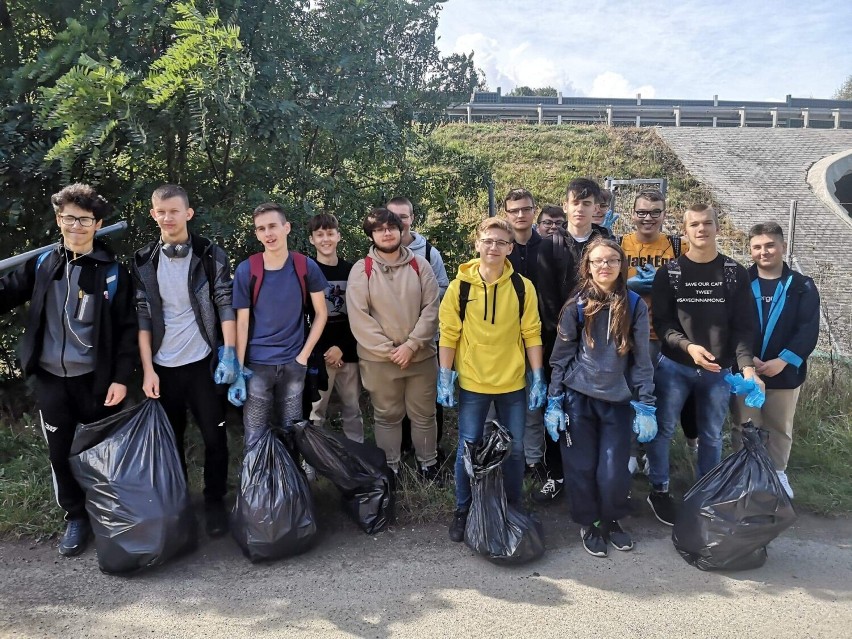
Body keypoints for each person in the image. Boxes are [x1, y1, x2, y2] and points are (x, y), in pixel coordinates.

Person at [0, 184, 136, 555]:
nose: (76, 226)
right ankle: (76, 517)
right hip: (50, 379)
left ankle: (112, 515)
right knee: (60, 454)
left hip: (97, 382)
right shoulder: (44, 264)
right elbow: (6, 292)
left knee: (102, 454)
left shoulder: (112, 273)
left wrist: (122, 378)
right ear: (59, 220)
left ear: (98, 223)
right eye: (69, 218)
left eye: (85, 219)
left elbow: (127, 331)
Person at [647, 204, 762, 526]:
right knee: (663, 430)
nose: (701, 229)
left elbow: (744, 326)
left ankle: (705, 491)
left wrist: (747, 367)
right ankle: (659, 488)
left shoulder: (733, 272)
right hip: (675, 367)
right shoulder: (669, 273)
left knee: (712, 435)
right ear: (685, 231)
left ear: (717, 227)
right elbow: (664, 324)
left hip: (719, 371)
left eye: (707, 223)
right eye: (694, 224)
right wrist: (688, 347)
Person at [133, 184, 236, 537]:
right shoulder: (144, 259)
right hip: (163, 367)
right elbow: (143, 316)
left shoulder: (209, 254)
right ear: (153, 215)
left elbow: (225, 302)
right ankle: (179, 507)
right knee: (170, 440)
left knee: (215, 438)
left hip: (203, 363)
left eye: (174, 211)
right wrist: (147, 369)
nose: (167, 217)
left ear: (188, 213)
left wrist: (231, 353)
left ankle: (214, 503)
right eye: (161, 212)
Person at [545, 238, 656, 557]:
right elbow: (561, 357)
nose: (604, 266)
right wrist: (554, 401)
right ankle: (590, 522)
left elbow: (642, 360)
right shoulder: (575, 306)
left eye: (611, 260)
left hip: (618, 402)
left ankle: (612, 519)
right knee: (580, 467)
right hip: (578, 399)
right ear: (588, 267)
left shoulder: (635, 305)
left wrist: (646, 403)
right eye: (598, 261)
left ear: (622, 265)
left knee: (613, 469)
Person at [437, 217, 545, 542]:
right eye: (488, 240)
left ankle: (512, 506)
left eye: (501, 242)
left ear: (510, 248)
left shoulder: (522, 287)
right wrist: (445, 375)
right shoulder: (461, 287)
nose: (494, 247)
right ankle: (463, 509)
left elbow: (532, 333)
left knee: (515, 450)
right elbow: (449, 334)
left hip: (513, 383)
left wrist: (537, 376)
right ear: (478, 244)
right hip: (473, 383)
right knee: (467, 447)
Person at [533, 177, 612, 503]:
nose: (580, 209)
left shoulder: (606, 244)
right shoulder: (550, 245)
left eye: (587, 203)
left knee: (593, 410)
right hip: (560, 344)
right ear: (566, 207)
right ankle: (556, 473)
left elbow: (615, 292)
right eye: (575, 203)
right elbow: (546, 297)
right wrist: (567, 334)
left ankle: (590, 474)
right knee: (557, 407)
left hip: (601, 347)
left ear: (597, 209)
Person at [346, 207, 440, 478]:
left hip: (420, 356)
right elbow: (359, 317)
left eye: (391, 227)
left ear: (401, 230)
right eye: (379, 229)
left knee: (424, 414)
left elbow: (432, 308)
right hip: (380, 361)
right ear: (371, 235)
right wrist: (390, 351)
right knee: (387, 415)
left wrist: (411, 345)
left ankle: (428, 464)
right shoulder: (361, 270)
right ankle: (391, 468)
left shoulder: (419, 265)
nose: (386, 233)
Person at [731, 222, 820, 498]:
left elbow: (808, 328)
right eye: (757, 246)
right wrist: (747, 361)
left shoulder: (802, 286)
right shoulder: (740, 283)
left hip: (785, 372)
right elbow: (731, 325)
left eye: (770, 245)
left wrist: (783, 361)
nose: (764, 251)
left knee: (779, 426)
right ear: (750, 250)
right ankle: (745, 473)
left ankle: (778, 473)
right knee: (744, 424)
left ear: (782, 246)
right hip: (747, 370)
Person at [229, 203, 328, 449]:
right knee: (255, 433)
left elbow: (321, 314)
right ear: (256, 234)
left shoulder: (305, 266)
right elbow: (241, 323)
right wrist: (239, 370)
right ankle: (256, 487)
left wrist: (303, 357)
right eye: (261, 229)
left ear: (286, 228)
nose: (268, 233)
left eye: (273, 226)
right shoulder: (247, 270)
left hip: (294, 364)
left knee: (292, 431)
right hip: (257, 366)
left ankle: (291, 486)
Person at [619, 188, 690, 472]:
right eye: (642, 212)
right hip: (632, 334)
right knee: (632, 394)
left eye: (655, 212)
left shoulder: (677, 246)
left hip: (669, 335)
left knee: (664, 397)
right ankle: (631, 451)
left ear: (664, 214)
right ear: (633, 214)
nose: (647, 218)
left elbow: (694, 287)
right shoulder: (619, 244)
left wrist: (668, 285)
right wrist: (627, 287)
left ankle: (654, 452)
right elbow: (602, 285)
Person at [386, 196, 448, 456]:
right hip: (392, 341)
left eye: (403, 216)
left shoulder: (428, 252)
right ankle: (400, 448)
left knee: (428, 399)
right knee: (395, 397)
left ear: (412, 218)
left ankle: (430, 450)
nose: (398, 222)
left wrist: (419, 317)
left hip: (424, 338)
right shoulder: (375, 254)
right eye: (392, 217)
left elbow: (442, 289)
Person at [502, 188, 547, 484]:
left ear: (534, 211)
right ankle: (500, 458)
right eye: (514, 210)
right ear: (506, 213)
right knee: (500, 408)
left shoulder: (552, 247)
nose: (520, 215)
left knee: (533, 406)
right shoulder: (499, 248)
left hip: (540, 338)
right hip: (502, 342)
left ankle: (534, 460)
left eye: (526, 209)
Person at [306, 212, 364, 443]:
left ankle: (357, 456)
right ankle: (314, 458)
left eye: (330, 233)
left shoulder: (352, 272)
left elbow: (361, 315)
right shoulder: (307, 272)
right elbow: (305, 317)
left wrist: (341, 347)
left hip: (349, 352)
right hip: (320, 355)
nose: (325, 239)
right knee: (316, 411)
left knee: (353, 409)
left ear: (338, 236)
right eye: (319, 235)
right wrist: (324, 350)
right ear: (312, 239)